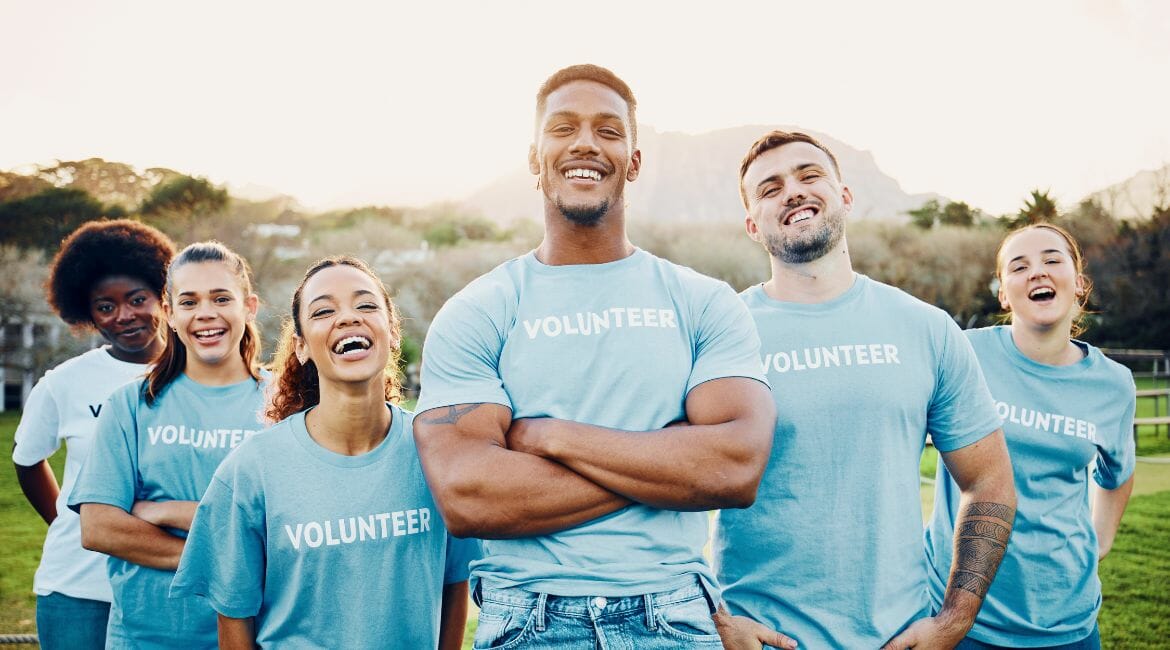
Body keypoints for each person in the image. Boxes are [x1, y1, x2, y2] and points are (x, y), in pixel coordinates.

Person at [413, 63, 776, 649]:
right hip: (526, 620)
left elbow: (734, 468)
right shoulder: (477, 310)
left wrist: (550, 436)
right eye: (563, 128)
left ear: (633, 162)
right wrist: (671, 459)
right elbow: (469, 495)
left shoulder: (702, 301)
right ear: (534, 158)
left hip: (675, 616)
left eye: (609, 130)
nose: (586, 142)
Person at [713, 130, 1018, 650]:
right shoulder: (720, 332)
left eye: (810, 176)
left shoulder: (926, 328)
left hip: (895, 638)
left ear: (845, 196)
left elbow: (990, 481)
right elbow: (653, 494)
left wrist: (953, 620)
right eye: (770, 188)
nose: (793, 191)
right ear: (751, 225)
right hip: (759, 638)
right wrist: (714, 616)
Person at [171, 256, 480, 649]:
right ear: (301, 347)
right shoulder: (252, 470)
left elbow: (454, 583)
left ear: (392, 332)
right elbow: (235, 618)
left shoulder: (436, 452)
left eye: (366, 305)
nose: (348, 317)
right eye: (324, 311)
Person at [925, 223, 1135, 649]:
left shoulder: (1114, 385)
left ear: (1078, 284)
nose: (1037, 272)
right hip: (958, 620)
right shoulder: (964, 354)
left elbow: (1117, 473)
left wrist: (1101, 539)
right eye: (1019, 267)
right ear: (1004, 293)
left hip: (1067, 625)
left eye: (1052, 260)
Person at [68, 241, 267, 649]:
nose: (206, 313)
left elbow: (284, 524)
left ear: (249, 307)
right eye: (189, 301)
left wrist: (165, 512)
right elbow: (100, 528)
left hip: (260, 635)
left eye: (221, 298)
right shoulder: (130, 404)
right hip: (146, 638)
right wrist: (232, 553)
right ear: (171, 314)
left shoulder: (285, 404)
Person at [12, 220, 175, 650]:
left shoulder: (198, 374)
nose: (124, 315)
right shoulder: (63, 383)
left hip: (167, 587)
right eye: (106, 306)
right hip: (78, 591)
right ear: (87, 313)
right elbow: (27, 460)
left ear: (163, 294)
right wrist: (70, 520)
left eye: (138, 299)